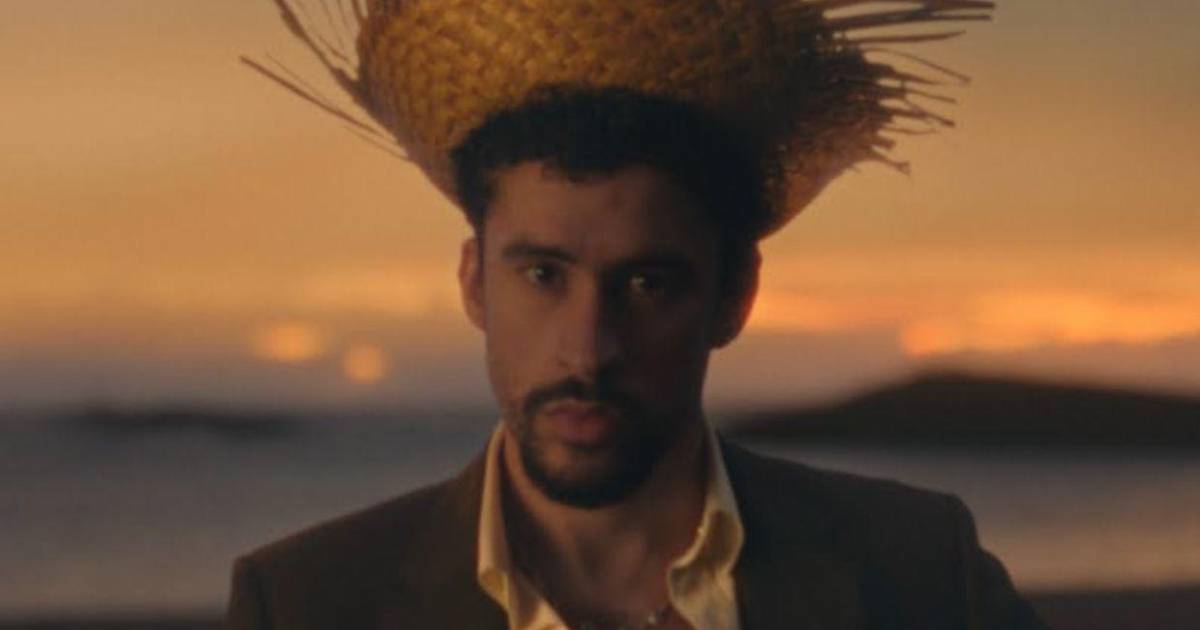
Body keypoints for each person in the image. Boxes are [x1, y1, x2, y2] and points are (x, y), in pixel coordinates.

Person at [229, 1, 1045, 628]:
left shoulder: (921, 572)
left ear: (734, 296)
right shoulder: (303, 605)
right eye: (543, 275)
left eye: (647, 284)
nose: (588, 350)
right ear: (475, 283)